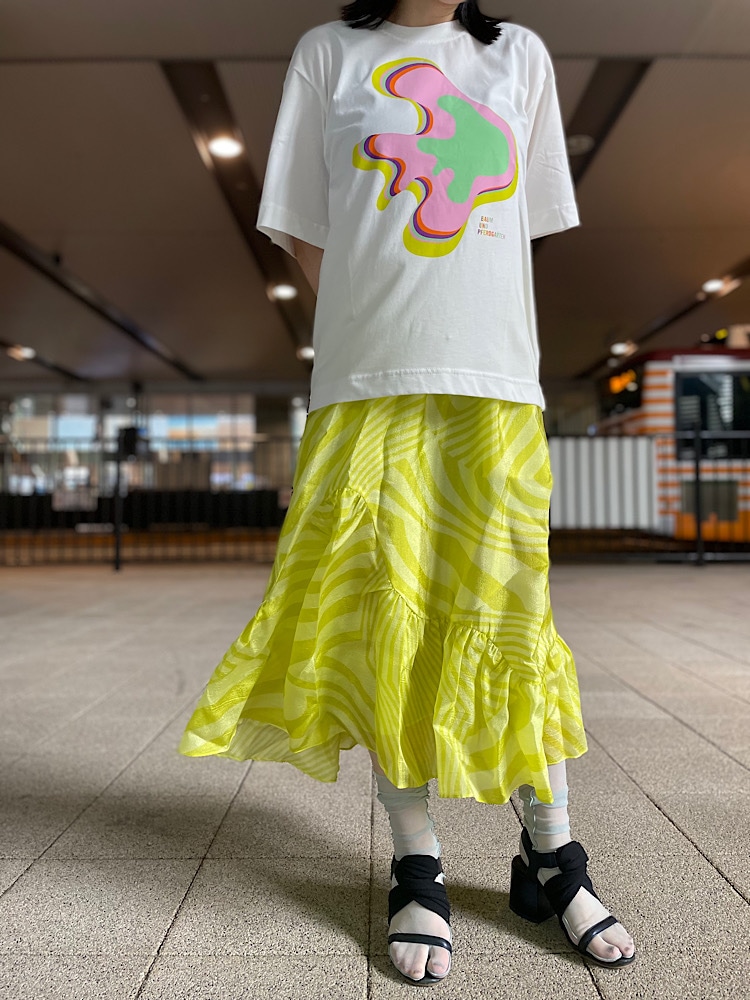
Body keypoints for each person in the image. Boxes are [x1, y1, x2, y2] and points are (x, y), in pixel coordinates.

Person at [178, 0, 636, 985]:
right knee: (388, 616)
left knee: (512, 617)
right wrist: (377, 320)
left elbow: (512, 227)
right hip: (367, 384)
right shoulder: (328, 54)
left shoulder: (519, 57)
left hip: (494, 386)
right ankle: (415, 860)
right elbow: (305, 232)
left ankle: (550, 851)